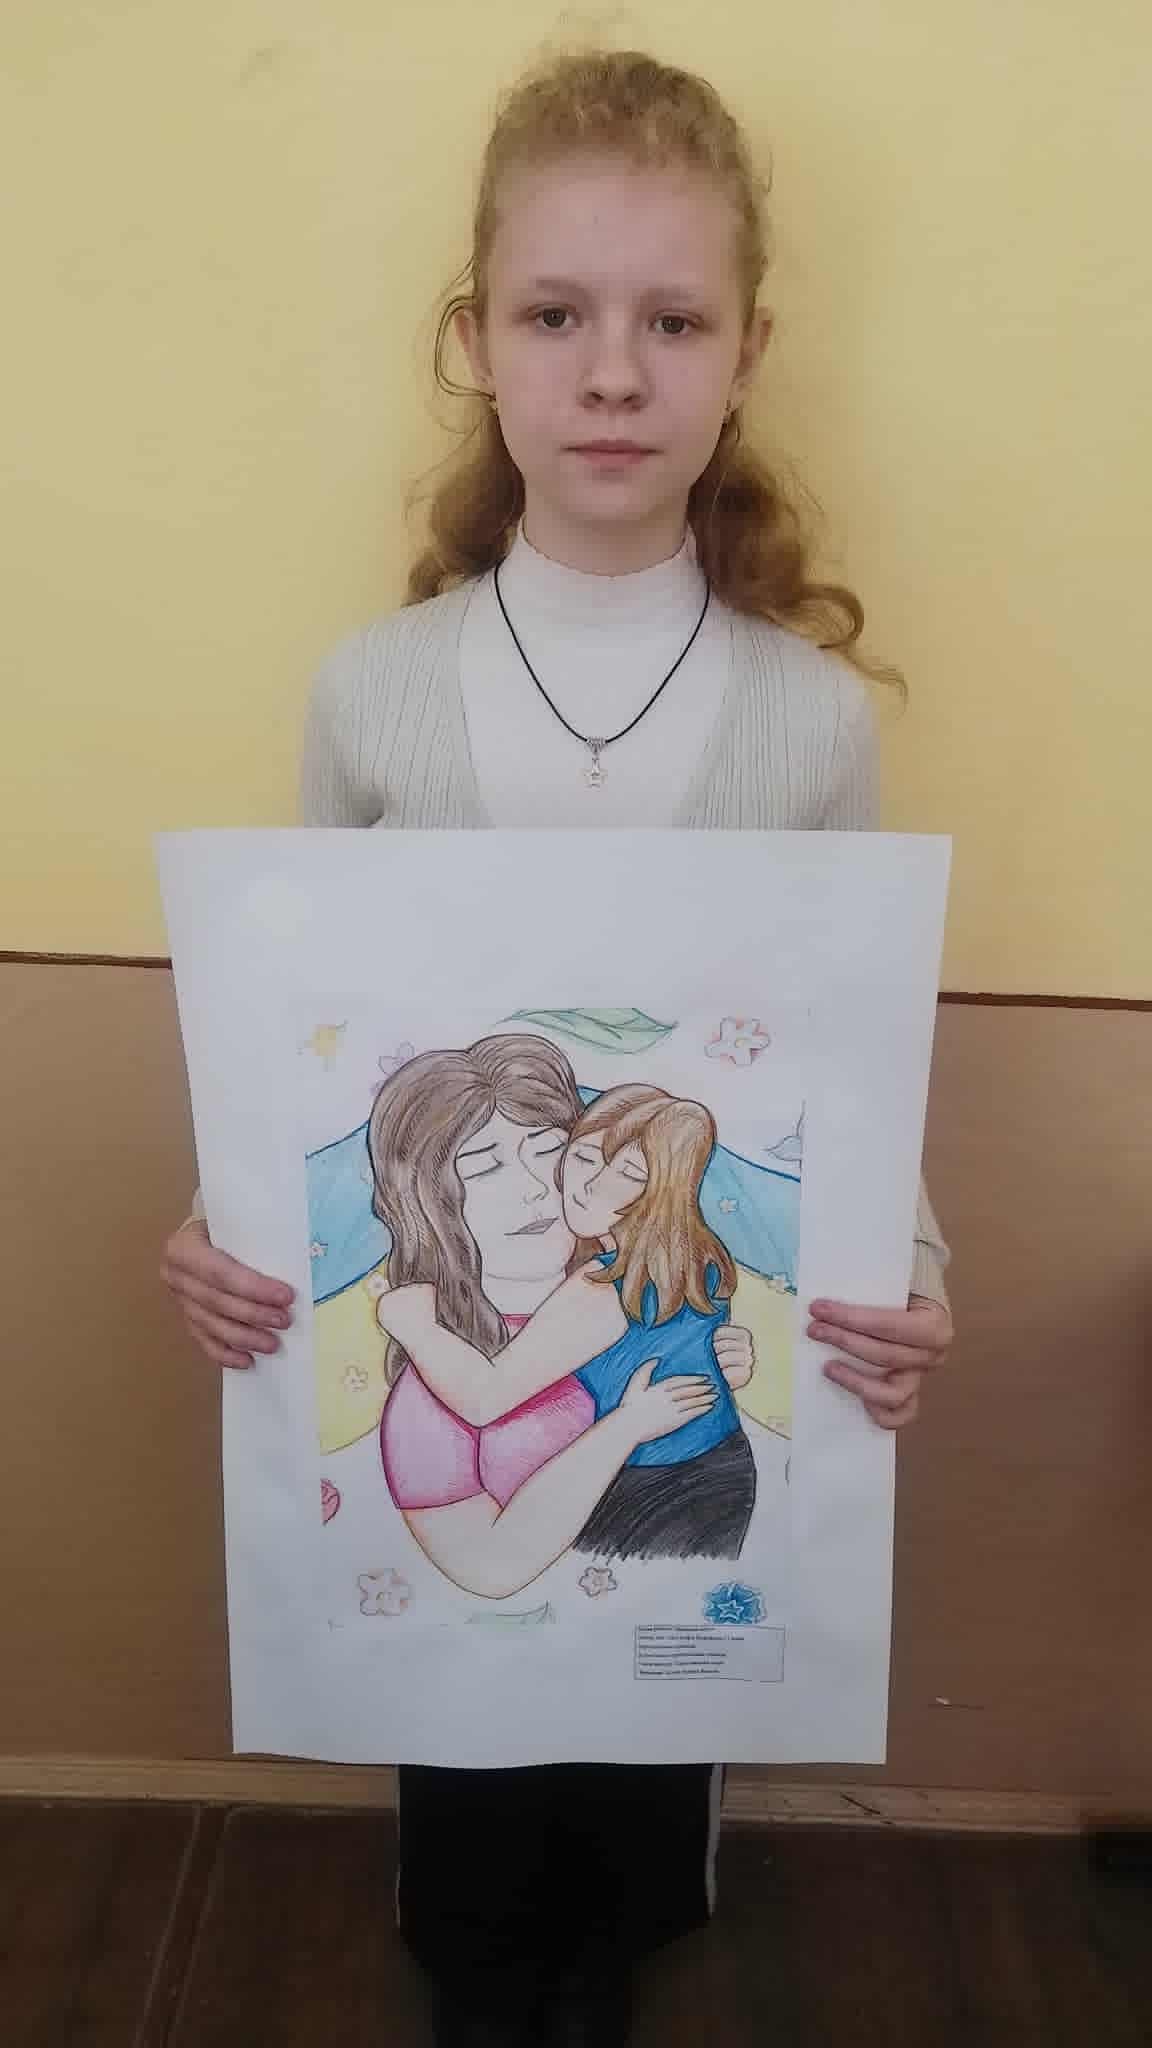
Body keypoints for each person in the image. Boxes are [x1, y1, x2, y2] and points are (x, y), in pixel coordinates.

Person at [161, 44, 953, 2048]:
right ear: (478, 343)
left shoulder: (805, 720)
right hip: (457, 1382)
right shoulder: (376, 695)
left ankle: (602, 1966)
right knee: (472, 1829)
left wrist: (908, 1274)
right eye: (555, 315)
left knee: (633, 1809)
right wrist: (223, 1227)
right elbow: (315, 1059)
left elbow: (849, 1064)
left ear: (746, 352)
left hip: (674, 1392)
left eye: (671, 321)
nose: (612, 373)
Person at [366, 1038, 753, 1596]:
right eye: (484, 1167)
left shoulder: (624, 1282)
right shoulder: (435, 1387)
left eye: (549, 1151)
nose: (534, 1189)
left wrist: (711, 1363)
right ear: (432, 1202)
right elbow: (490, 1572)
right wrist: (623, 1430)